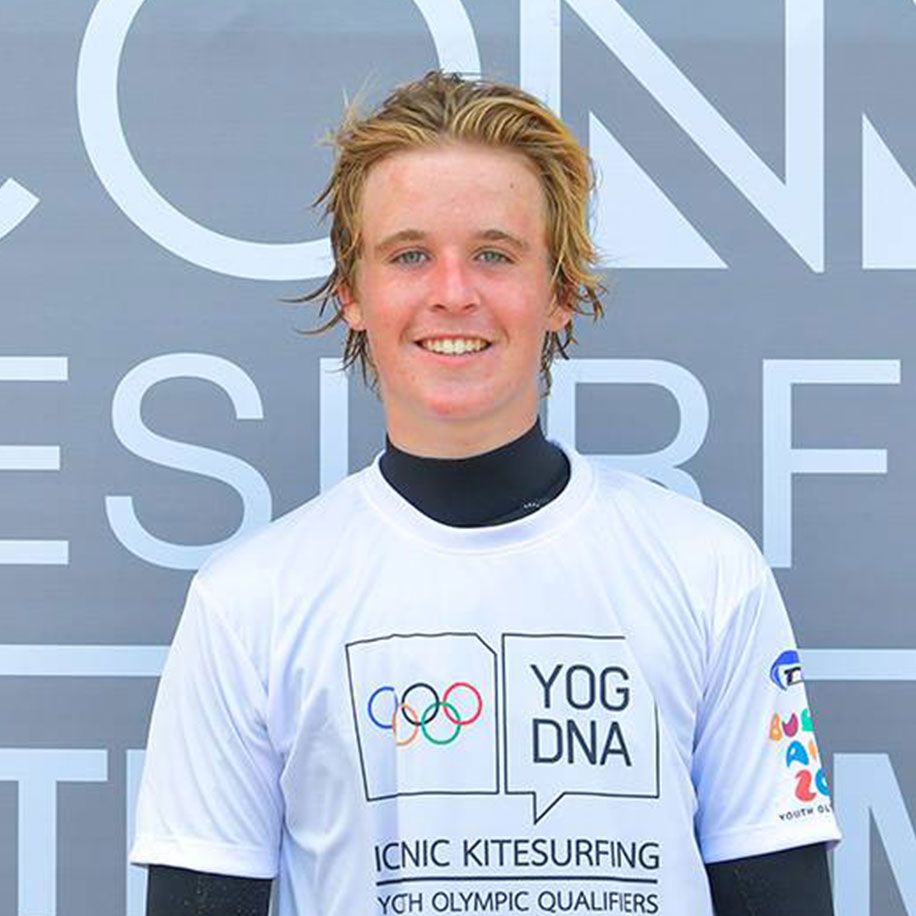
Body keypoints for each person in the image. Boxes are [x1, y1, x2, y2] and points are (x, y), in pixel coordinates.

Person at [131, 71, 841, 915]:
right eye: (410, 255)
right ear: (353, 292)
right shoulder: (250, 601)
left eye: (495, 255)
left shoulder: (707, 570)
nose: (453, 292)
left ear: (562, 291)